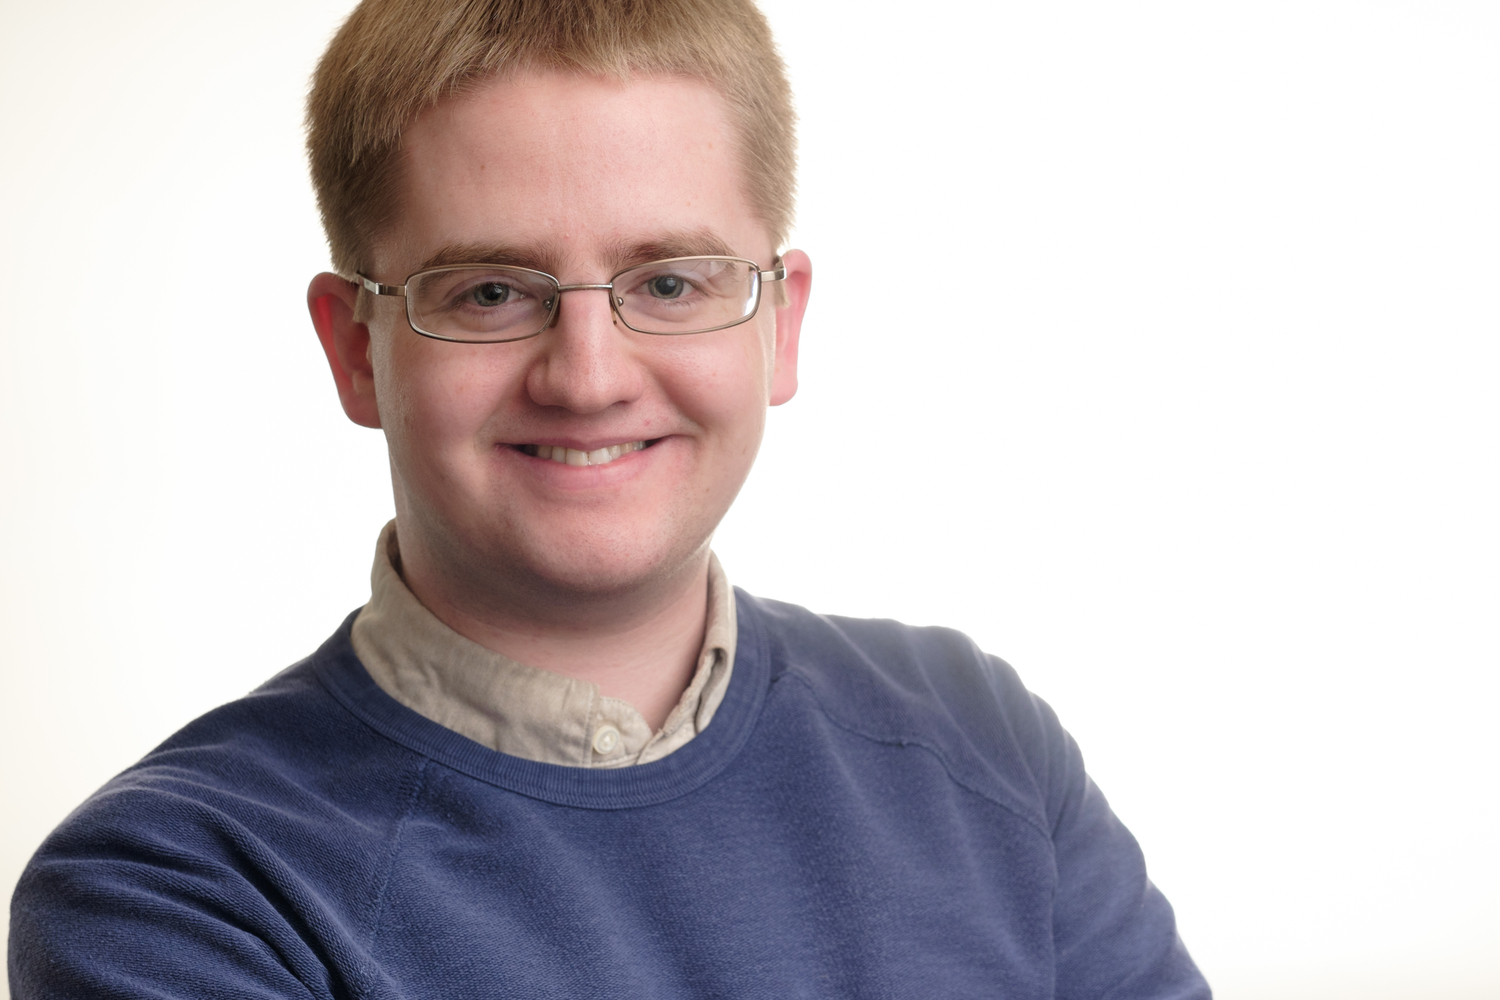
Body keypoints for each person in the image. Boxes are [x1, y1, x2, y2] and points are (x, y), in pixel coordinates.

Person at [9, 0, 1210, 996]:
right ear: (353, 349)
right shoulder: (179, 890)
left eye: (671, 281)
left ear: (781, 325)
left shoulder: (978, 743)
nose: (587, 377)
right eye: (490, 292)